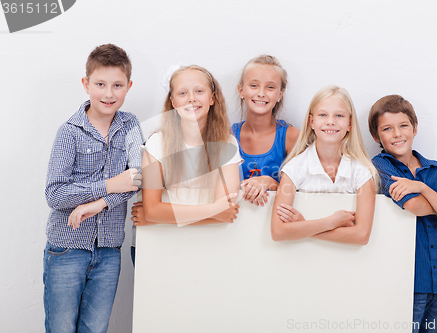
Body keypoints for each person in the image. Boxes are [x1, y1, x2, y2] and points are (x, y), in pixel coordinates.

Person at [43, 44, 143, 333]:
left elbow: (137, 176)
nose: (108, 93)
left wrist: (99, 203)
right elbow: (55, 194)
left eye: (117, 85)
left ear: (129, 86)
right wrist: (110, 185)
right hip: (67, 248)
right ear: (86, 84)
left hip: (109, 252)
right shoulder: (69, 132)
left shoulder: (130, 126)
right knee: (61, 328)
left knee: (95, 329)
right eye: (100, 84)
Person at [368, 95, 437, 333]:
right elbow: (412, 205)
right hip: (408, 281)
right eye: (387, 129)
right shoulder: (380, 166)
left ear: (414, 128)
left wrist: (422, 187)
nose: (397, 134)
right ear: (376, 136)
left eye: (403, 126)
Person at [131, 65, 241, 227]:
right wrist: (213, 212)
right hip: (164, 242)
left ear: (212, 98)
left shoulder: (227, 144)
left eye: (199, 91)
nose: (191, 98)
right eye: (183, 93)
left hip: (210, 241)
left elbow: (226, 212)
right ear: (173, 102)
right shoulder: (157, 143)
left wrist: (160, 218)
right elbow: (152, 210)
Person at [271, 85, 377, 244]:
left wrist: (303, 226)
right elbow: (278, 232)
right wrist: (331, 222)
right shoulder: (295, 167)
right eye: (323, 115)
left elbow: (361, 236)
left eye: (339, 115)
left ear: (349, 124)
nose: (330, 122)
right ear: (311, 122)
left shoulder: (362, 170)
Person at [231, 55, 299, 207]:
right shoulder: (227, 137)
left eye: (270, 87)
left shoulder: (291, 137)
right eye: (254, 85)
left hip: (275, 223)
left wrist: (270, 182)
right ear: (241, 91)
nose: (261, 93)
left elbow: (304, 191)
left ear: (280, 94)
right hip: (236, 223)